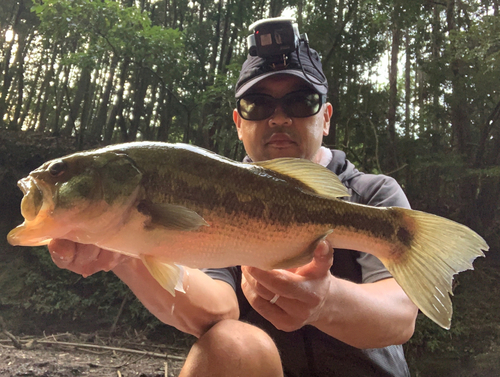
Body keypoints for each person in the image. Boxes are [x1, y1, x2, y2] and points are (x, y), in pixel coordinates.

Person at [48, 39, 418, 376]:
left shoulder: (374, 194)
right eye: (257, 104)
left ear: (326, 116)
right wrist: (124, 252)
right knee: (231, 342)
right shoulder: (217, 192)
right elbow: (216, 308)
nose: (278, 118)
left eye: (300, 101)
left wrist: (326, 302)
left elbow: (401, 315)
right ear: (238, 123)